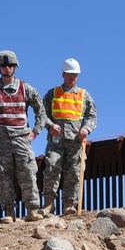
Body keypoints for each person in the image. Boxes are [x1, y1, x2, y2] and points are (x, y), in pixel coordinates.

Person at [0, 50, 47, 222]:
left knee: (28, 172)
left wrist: (35, 131)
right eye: (3, 66)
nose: (7, 68)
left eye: (10, 65)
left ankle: (32, 209)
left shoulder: (27, 89)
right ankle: (9, 211)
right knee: (2, 174)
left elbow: (41, 112)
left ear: (15, 67)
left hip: (22, 138)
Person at [41, 58, 97, 216]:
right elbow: (42, 114)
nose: (73, 77)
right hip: (56, 140)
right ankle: (48, 205)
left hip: (75, 141)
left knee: (73, 172)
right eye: (70, 74)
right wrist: (50, 125)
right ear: (63, 74)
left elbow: (92, 117)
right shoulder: (52, 94)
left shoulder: (84, 95)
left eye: (75, 74)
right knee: (51, 168)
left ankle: (69, 205)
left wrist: (86, 128)